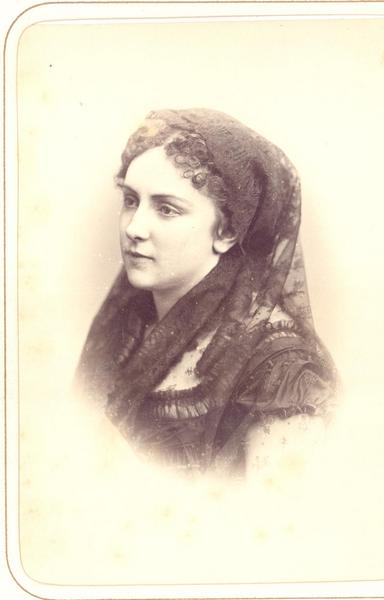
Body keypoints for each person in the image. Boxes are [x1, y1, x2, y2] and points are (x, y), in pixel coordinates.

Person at [75, 108, 337, 475]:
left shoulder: (282, 373)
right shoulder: (125, 324)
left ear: (227, 231)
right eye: (131, 201)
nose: (134, 228)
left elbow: (272, 509)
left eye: (167, 209)